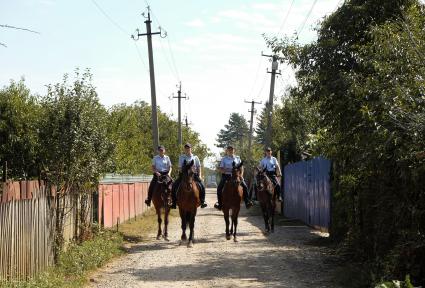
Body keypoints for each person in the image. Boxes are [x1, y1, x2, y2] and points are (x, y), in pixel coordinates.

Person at [214, 145, 253, 210]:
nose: (230, 151)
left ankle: (247, 202)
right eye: (229, 150)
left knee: (245, 186)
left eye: (231, 149)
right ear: (227, 151)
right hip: (227, 176)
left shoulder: (237, 158)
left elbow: (241, 167)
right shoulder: (224, 159)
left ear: (234, 150)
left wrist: (241, 175)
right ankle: (219, 203)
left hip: (237, 176)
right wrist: (227, 170)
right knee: (219, 188)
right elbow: (221, 168)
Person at [171, 143, 207, 209]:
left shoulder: (195, 157)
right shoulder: (181, 157)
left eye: (188, 148)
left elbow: (199, 167)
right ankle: (174, 202)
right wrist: (183, 171)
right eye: (186, 148)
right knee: (174, 185)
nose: (187, 149)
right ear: (184, 149)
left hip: (193, 175)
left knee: (202, 186)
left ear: (191, 149)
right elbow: (179, 167)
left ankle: (202, 201)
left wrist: (199, 175)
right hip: (183, 175)